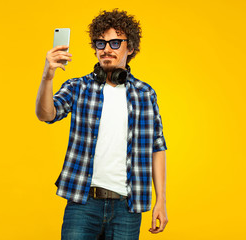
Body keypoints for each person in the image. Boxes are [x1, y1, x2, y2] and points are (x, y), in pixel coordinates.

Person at [36, 8, 168, 240]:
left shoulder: (145, 94)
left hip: (128, 206)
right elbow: (46, 114)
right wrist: (48, 76)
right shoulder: (78, 87)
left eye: (115, 43)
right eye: (101, 43)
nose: (106, 49)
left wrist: (161, 201)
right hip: (83, 203)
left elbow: (157, 148)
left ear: (131, 47)